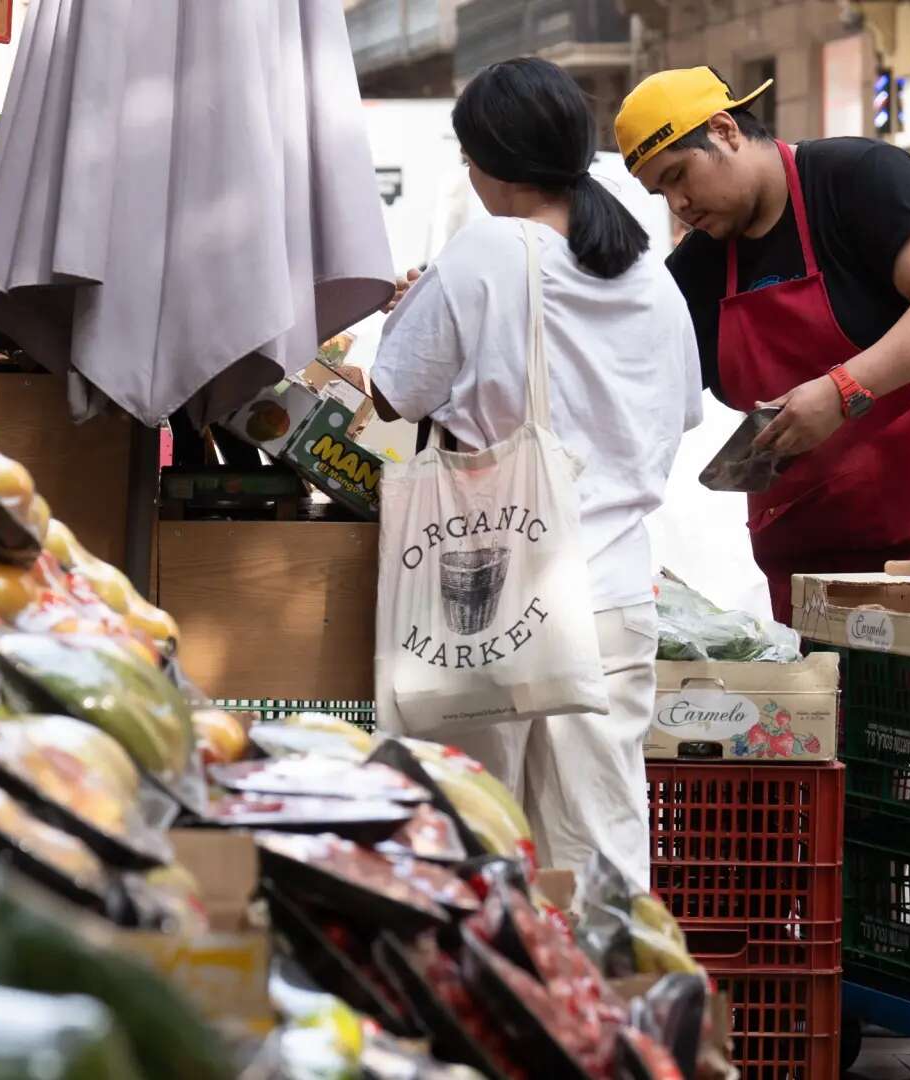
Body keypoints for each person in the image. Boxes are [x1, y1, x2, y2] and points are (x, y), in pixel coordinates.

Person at [358, 58, 702, 891]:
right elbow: (682, 411)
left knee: (475, 837)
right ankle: (616, 1001)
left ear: (490, 161)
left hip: (494, 592)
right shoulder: (647, 272)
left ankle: (487, 1008)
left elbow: (393, 392)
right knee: (599, 847)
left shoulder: (481, 253)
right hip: (615, 598)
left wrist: (421, 309)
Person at [615, 68, 910, 621]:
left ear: (725, 131)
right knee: (836, 703)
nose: (678, 203)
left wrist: (841, 391)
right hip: (821, 520)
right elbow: (645, 389)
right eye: (661, 191)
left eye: (680, 174)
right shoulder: (699, 269)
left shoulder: (860, 179)